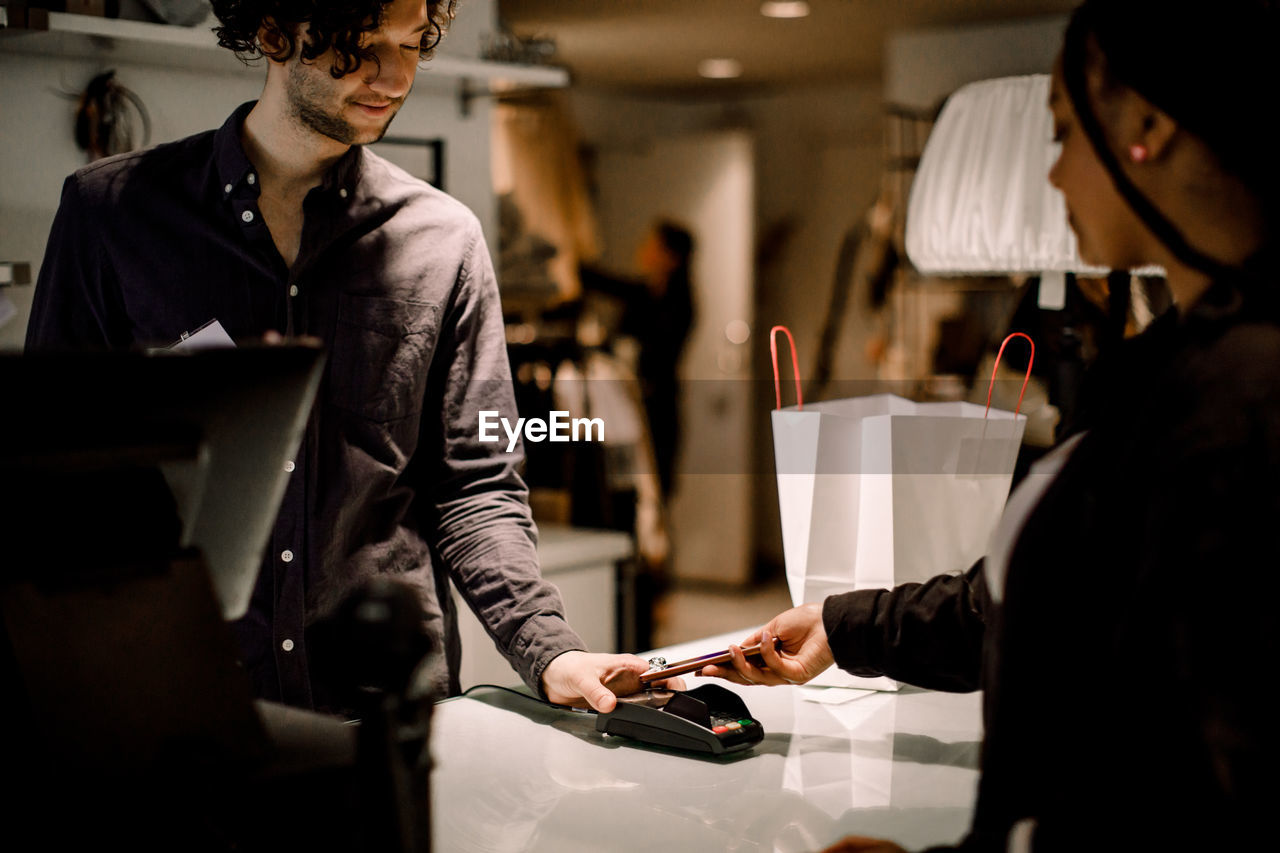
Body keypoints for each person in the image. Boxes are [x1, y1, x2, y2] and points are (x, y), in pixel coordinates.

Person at [706, 2, 1280, 850]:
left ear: (1147, 129)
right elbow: (1029, 602)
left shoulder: (1234, 403)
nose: (1052, 177)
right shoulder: (1171, 364)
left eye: (1060, 135)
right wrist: (843, 624)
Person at [23, 0, 657, 717]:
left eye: (415, 44)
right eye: (360, 45)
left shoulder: (444, 241)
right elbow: (53, 483)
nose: (394, 75)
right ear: (271, 30)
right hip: (181, 696)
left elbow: (477, 487)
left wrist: (550, 647)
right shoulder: (111, 216)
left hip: (385, 705)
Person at [579, 219, 696, 501]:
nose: (643, 251)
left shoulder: (676, 304)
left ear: (670, 257)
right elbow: (604, 282)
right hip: (637, 401)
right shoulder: (648, 294)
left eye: (652, 246)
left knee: (654, 486)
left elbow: (655, 352)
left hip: (656, 405)